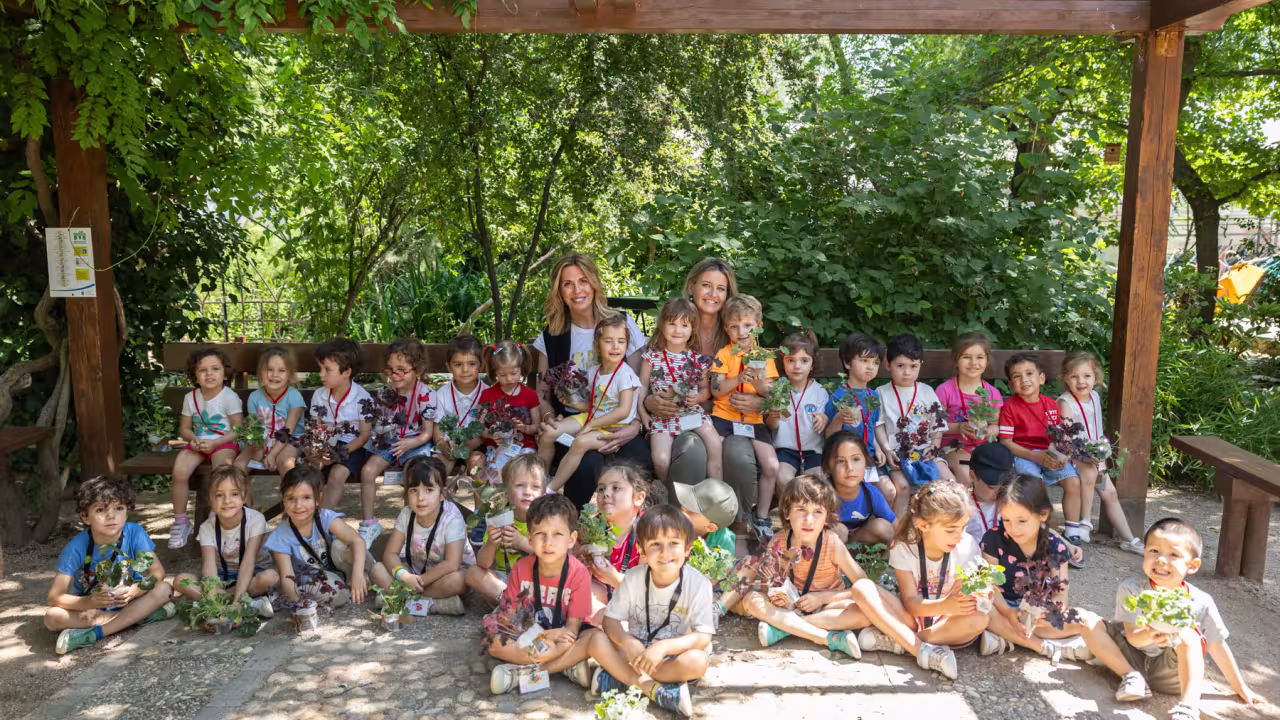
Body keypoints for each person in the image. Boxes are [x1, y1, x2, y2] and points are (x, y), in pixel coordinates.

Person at [980, 474, 1143, 693]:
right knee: (982, 607)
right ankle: (1043, 648)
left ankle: (1131, 675)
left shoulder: (1056, 547)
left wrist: (1050, 612)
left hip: (1037, 616)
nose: (1013, 528)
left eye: (1021, 520)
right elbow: (990, 586)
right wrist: (1008, 612)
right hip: (1004, 611)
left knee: (1090, 621)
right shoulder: (992, 539)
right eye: (1006, 520)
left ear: (1043, 515)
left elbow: (1060, 595)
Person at [1107, 518, 1264, 719]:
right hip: (1131, 663)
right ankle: (1096, 659)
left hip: (1170, 674)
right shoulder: (1132, 588)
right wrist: (1151, 633)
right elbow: (1133, 637)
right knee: (1092, 623)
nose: (1161, 560)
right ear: (1144, 552)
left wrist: (1241, 687)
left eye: (1173, 554)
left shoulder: (1201, 601)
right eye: (1153, 551)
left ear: (1192, 565)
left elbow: (1217, 646)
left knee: (1189, 635)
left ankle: (1189, 707)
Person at [649, 258, 759, 527]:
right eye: (706, 286)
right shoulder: (677, 324)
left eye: (721, 288)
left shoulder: (736, 329)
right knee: (692, 452)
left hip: (730, 415)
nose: (713, 294)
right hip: (684, 413)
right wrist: (648, 400)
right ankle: (681, 526)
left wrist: (758, 400)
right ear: (691, 286)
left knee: (737, 455)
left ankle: (735, 524)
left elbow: (760, 376)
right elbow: (647, 368)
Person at [533, 253, 650, 508]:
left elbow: (640, 385)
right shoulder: (552, 335)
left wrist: (635, 426)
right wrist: (547, 417)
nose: (577, 290)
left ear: (594, 283)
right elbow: (541, 394)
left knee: (639, 457)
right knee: (588, 464)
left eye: (583, 281)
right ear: (559, 291)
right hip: (576, 421)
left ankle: (631, 533)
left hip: (622, 421)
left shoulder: (622, 324)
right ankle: (567, 521)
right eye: (568, 284)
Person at [587, 505, 714, 718]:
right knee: (596, 639)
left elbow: (703, 636)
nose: (665, 553)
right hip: (634, 652)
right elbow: (610, 621)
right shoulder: (633, 578)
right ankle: (656, 689)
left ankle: (618, 679)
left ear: (687, 549)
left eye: (674, 543)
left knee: (698, 661)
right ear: (641, 549)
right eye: (655, 544)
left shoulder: (699, 584)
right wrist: (629, 643)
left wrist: (663, 647)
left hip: (671, 656)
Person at [45, 476, 176, 655]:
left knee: (164, 588)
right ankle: (141, 616)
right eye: (100, 510)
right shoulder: (76, 547)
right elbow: (54, 597)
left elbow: (157, 572)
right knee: (52, 618)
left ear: (127, 512)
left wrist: (136, 590)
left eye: (119, 508)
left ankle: (97, 633)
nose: (111, 516)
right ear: (85, 517)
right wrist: (89, 601)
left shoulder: (135, 533)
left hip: (131, 598)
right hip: (95, 605)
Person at [486, 494, 598, 695]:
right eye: (540, 534)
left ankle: (521, 673)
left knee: (591, 638)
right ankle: (566, 666)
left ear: (572, 539)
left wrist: (553, 637)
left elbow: (572, 628)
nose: (548, 542)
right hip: (533, 635)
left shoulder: (579, 573)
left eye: (557, 534)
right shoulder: (521, 569)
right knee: (494, 644)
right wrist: (542, 635)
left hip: (564, 634)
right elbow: (511, 620)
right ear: (529, 538)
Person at [998, 353, 1085, 566]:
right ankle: (1044, 533)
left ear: (1042, 378)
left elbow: (1060, 437)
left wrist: (1062, 455)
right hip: (1024, 453)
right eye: (1017, 376)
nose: (1024, 380)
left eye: (1030, 374)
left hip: (1050, 454)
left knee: (1073, 481)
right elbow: (1007, 442)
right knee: (1034, 485)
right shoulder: (1010, 406)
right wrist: (1035, 456)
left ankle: (1073, 530)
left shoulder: (1051, 405)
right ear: (1011, 384)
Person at [266, 465, 392, 608]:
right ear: (283, 500)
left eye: (306, 497)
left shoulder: (324, 517)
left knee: (370, 564)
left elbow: (357, 541)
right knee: (338, 595)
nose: (298, 505)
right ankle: (356, 585)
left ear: (318, 499)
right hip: (313, 577)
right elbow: (287, 578)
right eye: (291, 498)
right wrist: (298, 608)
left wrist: (357, 574)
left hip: (339, 568)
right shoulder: (280, 536)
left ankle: (390, 594)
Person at [709, 294, 781, 541]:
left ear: (758, 326)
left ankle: (760, 516)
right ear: (727, 329)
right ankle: (715, 507)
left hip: (753, 421)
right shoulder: (724, 354)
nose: (742, 332)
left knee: (771, 466)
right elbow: (716, 390)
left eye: (748, 325)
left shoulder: (763, 356)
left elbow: (771, 394)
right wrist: (738, 379)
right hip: (725, 416)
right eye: (734, 326)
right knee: (714, 453)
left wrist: (759, 383)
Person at [543, 315, 641, 493]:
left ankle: (551, 489)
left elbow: (623, 411)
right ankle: (540, 478)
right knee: (550, 432)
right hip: (593, 417)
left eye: (621, 341)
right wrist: (573, 403)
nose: (615, 347)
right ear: (597, 345)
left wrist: (592, 425)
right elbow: (594, 404)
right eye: (608, 341)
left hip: (613, 427)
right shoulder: (595, 371)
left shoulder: (625, 376)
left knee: (580, 442)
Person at [1056, 351, 1142, 554]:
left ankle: (1129, 539)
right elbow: (1067, 438)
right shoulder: (1065, 402)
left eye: (1086, 376)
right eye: (1074, 376)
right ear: (1065, 379)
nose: (1081, 381)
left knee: (1110, 493)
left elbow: (1095, 427)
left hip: (1094, 457)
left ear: (1095, 377)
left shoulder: (1094, 396)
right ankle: (1084, 521)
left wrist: (1103, 448)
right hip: (1072, 457)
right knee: (1089, 472)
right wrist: (1086, 453)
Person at [360, 337, 436, 546]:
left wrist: (409, 445)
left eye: (401, 370)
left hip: (416, 443)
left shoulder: (426, 395)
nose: (395, 375)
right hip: (391, 441)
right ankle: (368, 523)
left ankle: (409, 528)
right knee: (367, 471)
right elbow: (381, 425)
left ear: (417, 370)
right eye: (391, 370)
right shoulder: (386, 393)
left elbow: (427, 433)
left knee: (411, 474)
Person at [174, 466, 277, 617]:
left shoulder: (255, 520)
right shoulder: (206, 528)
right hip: (222, 578)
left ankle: (232, 601)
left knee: (271, 578)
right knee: (180, 580)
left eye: (234, 494)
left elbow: (248, 563)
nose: (227, 501)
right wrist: (211, 599)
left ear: (244, 497)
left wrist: (237, 600)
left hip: (253, 575)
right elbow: (209, 568)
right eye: (219, 495)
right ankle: (248, 605)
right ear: (210, 499)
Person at [638, 298, 721, 482]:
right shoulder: (652, 356)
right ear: (662, 325)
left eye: (684, 325)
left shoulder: (697, 360)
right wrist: (643, 413)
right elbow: (642, 386)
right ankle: (671, 492)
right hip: (662, 415)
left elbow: (705, 390)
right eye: (672, 324)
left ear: (692, 329)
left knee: (714, 443)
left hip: (690, 412)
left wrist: (697, 398)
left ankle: (716, 487)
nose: (677, 330)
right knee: (660, 459)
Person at [378, 457, 471, 615]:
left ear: (442, 494)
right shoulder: (407, 513)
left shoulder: (452, 517)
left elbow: (452, 564)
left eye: (429, 490)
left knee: (460, 581)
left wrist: (418, 582)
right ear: (407, 494)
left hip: (443, 576)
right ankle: (435, 604)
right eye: (414, 490)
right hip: (414, 574)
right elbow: (390, 553)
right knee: (377, 569)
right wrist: (404, 576)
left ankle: (403, 599)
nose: (420, 498)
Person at [170, 347, 243, 548]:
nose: (209, 374)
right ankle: (181, 521)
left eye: (215, 369)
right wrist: (193, 439)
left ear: (224, 372)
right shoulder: (190, 398)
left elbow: (238, 430)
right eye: (202, 370)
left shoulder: (229, 397)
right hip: (198, 443)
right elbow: (184, 428)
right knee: (179, 471)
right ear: (194, 375)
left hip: (223, 443)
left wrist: (215, 443)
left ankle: (214, 520)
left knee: (221, 472)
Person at [876, 334, 953, 516]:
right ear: (888, 364)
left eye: (913, 366)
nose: (907, 372)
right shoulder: (881, 393)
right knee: (902, 487)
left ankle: (944, 528)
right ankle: (897, 534)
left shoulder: (927, 392)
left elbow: (938, 425)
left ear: (921, 365)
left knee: (949, 482)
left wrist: (934, 447)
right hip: (896, 454)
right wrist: (887, 450)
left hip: (926, 451)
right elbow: (878, 425)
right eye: (900, 366)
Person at [309, 337, 375, 547]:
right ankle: (306, 520)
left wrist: (340, 453)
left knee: (337, 474)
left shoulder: (362, 398)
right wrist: (319, 450)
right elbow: (315, 429)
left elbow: (364, 436)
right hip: (326, 444)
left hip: (352, 446)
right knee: (311, 470)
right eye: (320, 369)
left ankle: (318, 525)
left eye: (327, 370)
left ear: (346, 372)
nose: (321, 375)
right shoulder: (319, 396)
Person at [465, 454, 548, 603]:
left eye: (535, 486)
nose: (528, 492)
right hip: (505, 582)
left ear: (543, 493)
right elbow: (483, 564)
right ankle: (510, 603)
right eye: (520, 485)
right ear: (506, 493)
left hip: (538, 581)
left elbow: (555, 558)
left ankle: (511, 605)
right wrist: (491, 544)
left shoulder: (547, 521)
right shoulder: (499, 518)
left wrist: (521, 542)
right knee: (473, 573)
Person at [825, 332, 895, 497]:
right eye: (864, 361)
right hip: (845, 459)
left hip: (870, 457)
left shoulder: (873, 396)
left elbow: (874, 426)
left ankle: (879, 523)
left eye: (875, 362)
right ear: (848, 363)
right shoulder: (839, 396)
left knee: (890, 493)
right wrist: (838, 419)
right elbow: (828, 436)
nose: (870, 367)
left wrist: (879, 449)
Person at [935, 332, 1003, 490]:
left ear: (987, 360)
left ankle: (986, 512)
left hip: (983, 447)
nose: (973, 362)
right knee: (967, 476)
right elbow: (937, 424)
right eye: (966, 357)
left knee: (993, 479)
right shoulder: (944, 390)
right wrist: (958, 427)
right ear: (956, 360)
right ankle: (967, 512)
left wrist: (988, 432)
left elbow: (995, 425)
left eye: (979, 357)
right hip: (952, 446)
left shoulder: (992, 393)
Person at [767, 328, 829, 495]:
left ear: (812, 364)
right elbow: (772, 426)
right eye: (791, 360)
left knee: (819, 480)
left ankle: (812, 517)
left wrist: (823, 419)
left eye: (804, 360)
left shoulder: (819, 391)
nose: (797, 366)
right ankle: (790, 514)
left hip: (813, 452)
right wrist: (773, 413)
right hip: (785, 451)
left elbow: (824, 420)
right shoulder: (778, 389)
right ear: (783, 362)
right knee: (782, 477)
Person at [234, 345, 303, 481]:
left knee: (286, 463)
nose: (275, 375)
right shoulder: (254, 397)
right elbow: (255, 428)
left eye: (281, 370)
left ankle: (289, 501)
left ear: (289, 374)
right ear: (260, 373)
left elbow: (288, 431)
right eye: (269, 370)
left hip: (290, 441)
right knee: (238, 466)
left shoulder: (295, 397)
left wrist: (272, 454)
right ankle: (244, 503)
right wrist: (257, 445)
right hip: (264, 441)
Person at [587, 463, 651, 608]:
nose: (606, 493)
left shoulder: (649, 532)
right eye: (601, 489)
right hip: (598, 599)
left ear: (638, 498)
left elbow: (648, 589)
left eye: (616, 488)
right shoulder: (590, 527)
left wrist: (615, 579)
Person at [430, 334, 489, 476]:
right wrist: (442, 444)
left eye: (471, 364)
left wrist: (468, 446)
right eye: (458, 364)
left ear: (481, 365)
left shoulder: (488, 393)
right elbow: (437, 427)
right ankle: (442, 497)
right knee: (436, 470)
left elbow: (485, 431)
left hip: (477, 447)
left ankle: (479, 498)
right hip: (448, 447)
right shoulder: (441, 394)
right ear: (449, 367)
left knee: (477, 465)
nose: (465, 370)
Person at [477, 340, 542, 470]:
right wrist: (491, 435)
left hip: (525, 449)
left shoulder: (530, 395)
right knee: (498, 476)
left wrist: (525, 428)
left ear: (521, 368)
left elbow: (536, 426)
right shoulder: (487, 395)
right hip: (498, 449)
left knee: (524, 472)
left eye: (514, 373)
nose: (509, 379)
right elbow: (478, 426)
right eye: (502, 375)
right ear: (495, 372)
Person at [824, 431, 894, 547]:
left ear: (866, 462)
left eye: (856, 459)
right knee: (840, 531)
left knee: (885, 528)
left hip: (856, 541)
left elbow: (894, 526)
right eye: (840, 461)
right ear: (828, 466)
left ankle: (855, 558)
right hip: (828, 543)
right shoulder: (821, 493)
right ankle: (833, 562)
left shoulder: (870, 493)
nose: (850, 468)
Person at [674, 476, 739, 558]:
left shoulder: (723, 543)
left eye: (692, 510)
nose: (683, 508)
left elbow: (723, 568)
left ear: (711, 528)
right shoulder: (671, 526)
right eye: (687, 501)